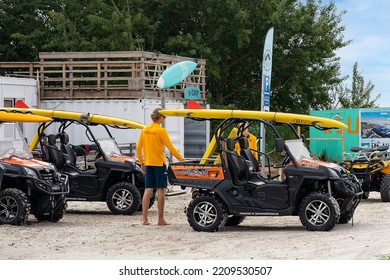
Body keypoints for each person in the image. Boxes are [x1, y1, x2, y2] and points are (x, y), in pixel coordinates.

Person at [136, 107, 184, 226]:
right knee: (160, 190)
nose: (165, 118)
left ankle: (145, 219)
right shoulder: (161, 131)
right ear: (160, 117)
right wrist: (181, 159)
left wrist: (142, 162)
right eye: (164, 116)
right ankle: (160, 219)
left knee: (148, 190)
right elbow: (170, 147)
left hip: (148, 163)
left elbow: (138, 148)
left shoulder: (145, 129)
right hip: (159, 163)